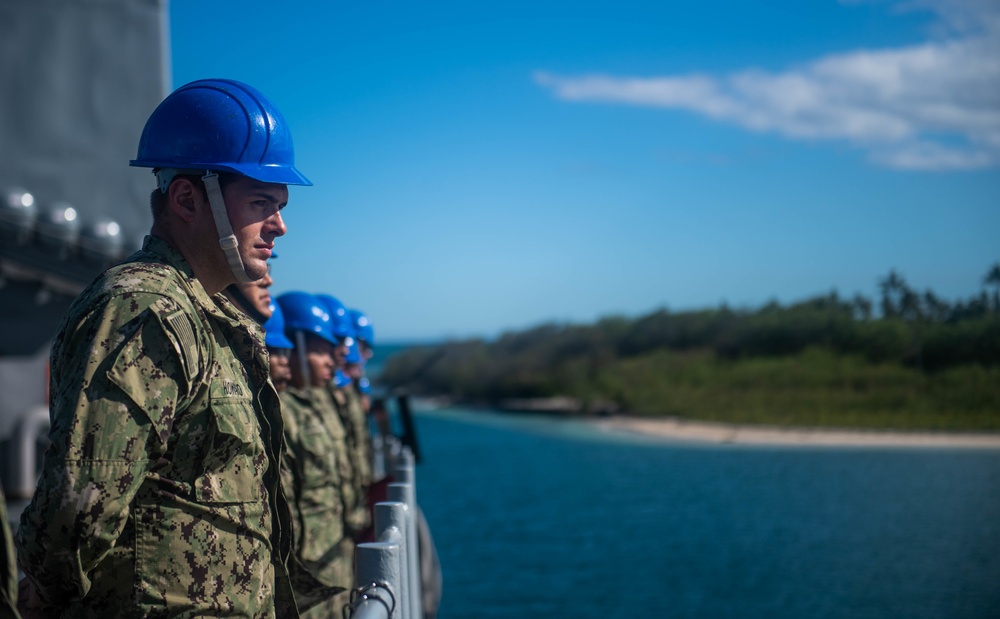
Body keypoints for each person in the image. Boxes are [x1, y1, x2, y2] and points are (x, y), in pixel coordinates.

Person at [15, 79, 318, 618]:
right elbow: (82, 504)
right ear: (185, 199)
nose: (280, 225)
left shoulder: (210, 315)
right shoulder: (143, 309)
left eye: (280, 205)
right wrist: (43, 600)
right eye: (261, 202)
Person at [275, 292, 353, 617]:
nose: (333, 361)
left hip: (334, 557)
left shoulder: (314, 402)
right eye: (323, 349)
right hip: (304, 573)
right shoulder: (280, 411)